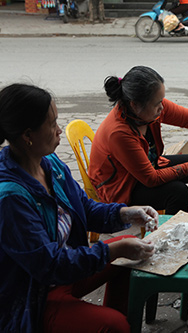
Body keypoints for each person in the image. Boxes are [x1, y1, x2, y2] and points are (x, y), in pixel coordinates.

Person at [0, 83, 158, 332]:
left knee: (131, 252)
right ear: (28, 135)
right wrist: (112, 251)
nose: (59, 130)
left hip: (63, 271)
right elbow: (51, 266)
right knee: (114, 324)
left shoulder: (49, 164)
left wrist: (125, 213)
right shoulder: (11, 198)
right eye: (52, 125)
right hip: (34, 296)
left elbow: (84, 207)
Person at [89, 65, 188, 214]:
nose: (162, 107)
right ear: (135, 105)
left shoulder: (147, 109)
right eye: (157, 104)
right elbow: (151, 179)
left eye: (162, 100)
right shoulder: (119, 133)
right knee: (178, 192)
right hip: (122, 186)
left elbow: (187, 117)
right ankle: (169, 233)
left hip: (147, 167)